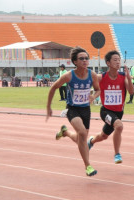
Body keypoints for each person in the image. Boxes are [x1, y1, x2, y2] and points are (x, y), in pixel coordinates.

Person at [46, 46, 100, 176]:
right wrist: (48, 107)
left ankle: (65, 133)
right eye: (81, 58)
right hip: (72, 109)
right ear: (75, 62)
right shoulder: (68, 76)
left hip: (86, 109)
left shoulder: (92, 75)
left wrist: (94, 96)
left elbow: (98, 89)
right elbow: (53, 88)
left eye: (86, 58)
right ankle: (88, 166)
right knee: (82, 133)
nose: (85, 60)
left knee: (81, 138)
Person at [87, 50, 134, 164]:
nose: (118, 62)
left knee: (104, 136)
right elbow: (88, 83)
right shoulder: (101, 77)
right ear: (108, 63)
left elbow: (131, 91)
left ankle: (91, 141)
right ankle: (117, 154)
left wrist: (129, 78)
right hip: (106, 111)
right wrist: (91, 96)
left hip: (118, 112)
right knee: (119, 126)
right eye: (115, 60)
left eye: (119, 60)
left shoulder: (123, 76)